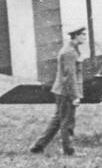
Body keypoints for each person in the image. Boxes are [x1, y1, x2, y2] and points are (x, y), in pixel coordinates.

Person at [30, 26, 87, 156]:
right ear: (76, 36)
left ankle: (38, 146)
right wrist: (75, 96)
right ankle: (69, 151)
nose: (85, 37)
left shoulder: (72, 50)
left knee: (57, 120)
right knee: (68, 121)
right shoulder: (69, 52)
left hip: (62, 91)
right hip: (66, 92)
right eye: (83, 34)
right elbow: (69, 76)